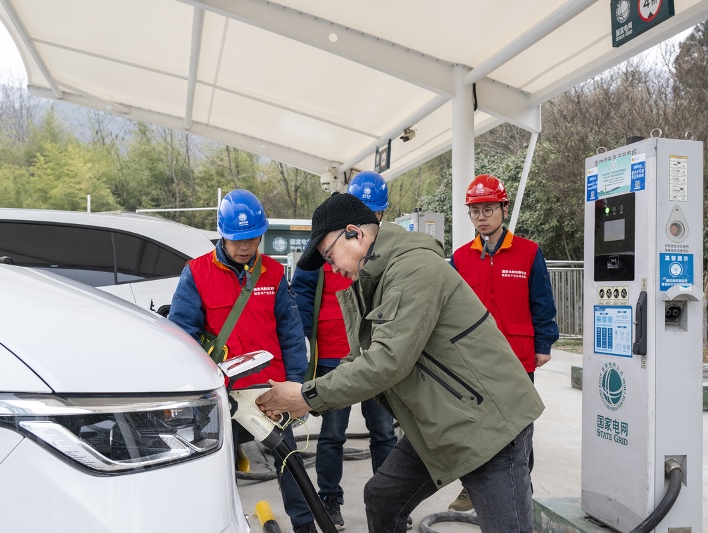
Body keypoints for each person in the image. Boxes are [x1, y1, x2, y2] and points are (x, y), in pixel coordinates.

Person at [256, 193, 545, 533]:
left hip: (488, 423)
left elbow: (388, 361)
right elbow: (362, 358)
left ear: (355, 233)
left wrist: (306, 397)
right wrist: (305, 398)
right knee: (382, 497)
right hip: (439, 422)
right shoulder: (374, 280)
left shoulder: (414, 267)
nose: (331, 267)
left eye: (329, 254)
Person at [168, 189, 317, 533]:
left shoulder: (273, 274)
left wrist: (296, 386)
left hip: (271, 391)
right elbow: (182, 338)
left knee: (289, 464)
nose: (246, 246)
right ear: (222, 234)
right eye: (238, 240)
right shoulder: (197, 273)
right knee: (217, 469)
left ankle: (305, 525)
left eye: (252, 238)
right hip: (225, 394)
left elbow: (292, 333)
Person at [447, 174, 559, 513]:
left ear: (503, 209)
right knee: (475, 428)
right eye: (475, 211)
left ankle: (520, 488)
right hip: (473, 360)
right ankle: (472, 488)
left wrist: (544, 343)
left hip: (518, 358)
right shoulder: (461, 258)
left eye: (488, 208)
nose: (481, 217)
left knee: (520, 430)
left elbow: (542, 302)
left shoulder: (528, 253)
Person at [291, 171, 397, 530]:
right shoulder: (327, 247)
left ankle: (390, 504)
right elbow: (302, 294)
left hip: (375, 357)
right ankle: (330, 501)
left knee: (383, 432)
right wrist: (311, 337)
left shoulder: (390, 252)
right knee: (332, 434)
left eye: (375, 213)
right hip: (333, 356)